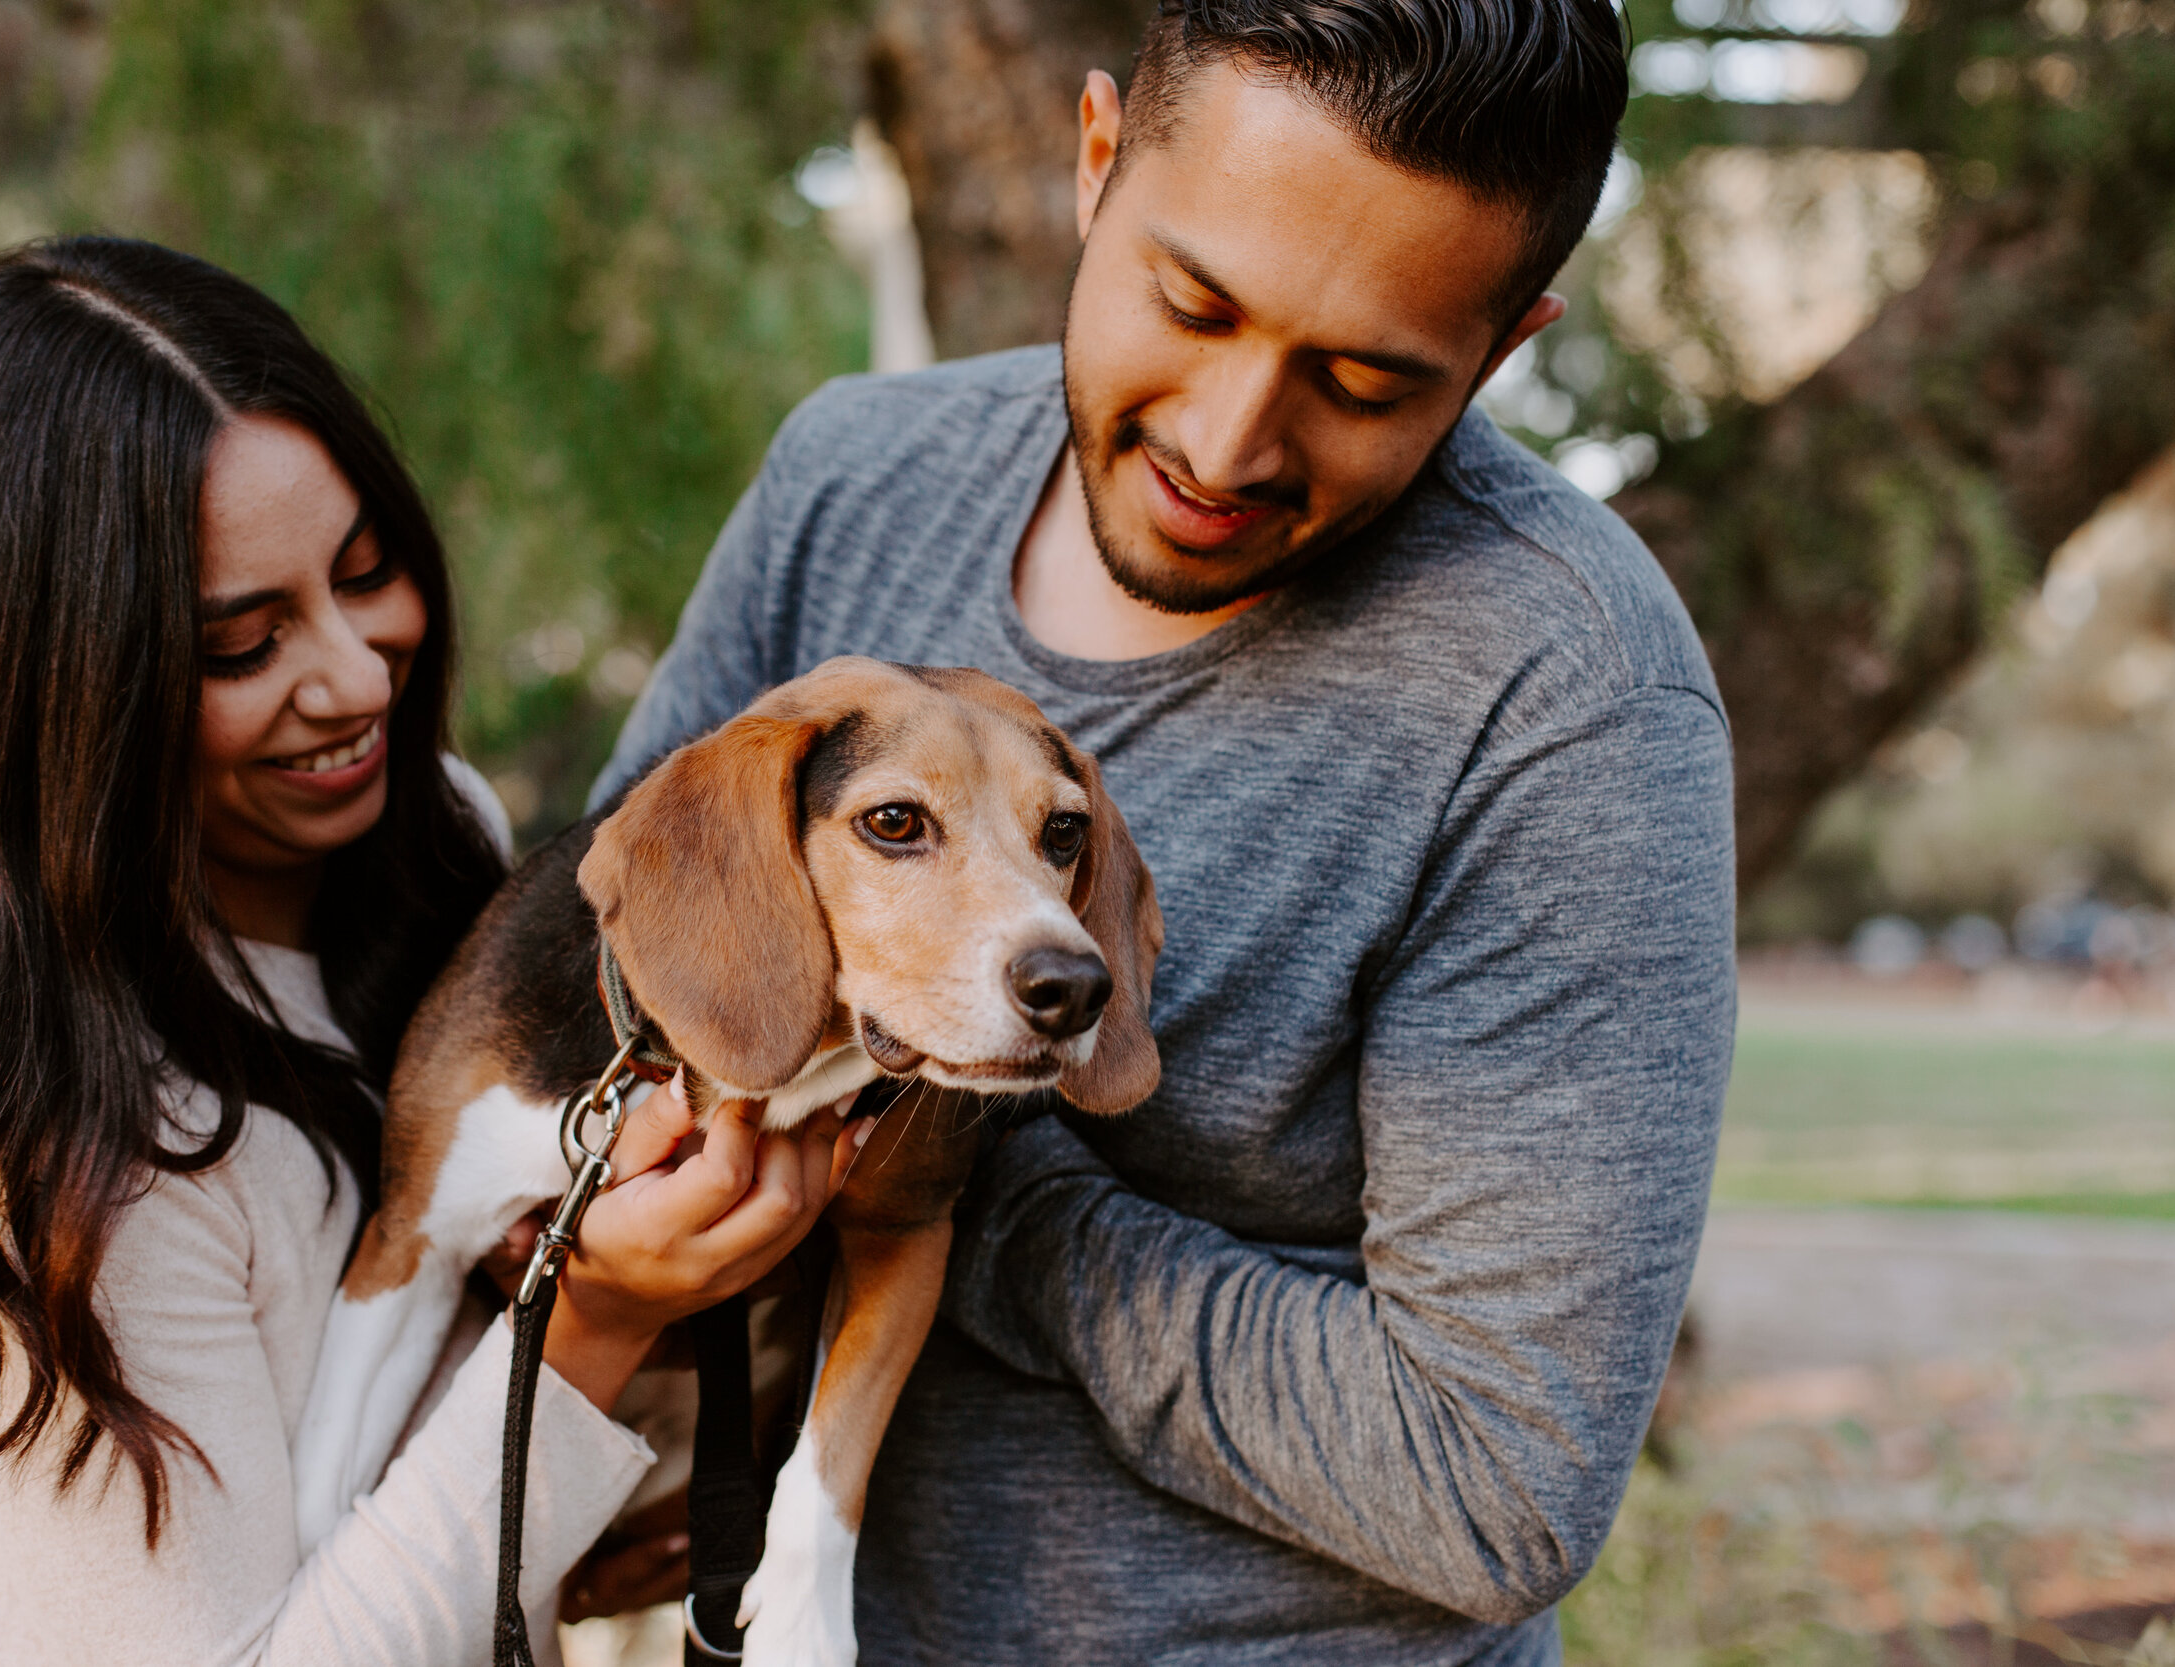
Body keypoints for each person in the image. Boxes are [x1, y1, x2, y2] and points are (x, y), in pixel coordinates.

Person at [590, 1, 1736, 1661]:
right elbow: (613, 971)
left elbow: (1494, 1485)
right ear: (1097, 157)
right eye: (1190, 306)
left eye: (1360, 381)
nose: (1226, 441)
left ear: (1501, 349)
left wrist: (957, 1178)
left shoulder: (1569, 697)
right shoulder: (853, 477)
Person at [0, 236, 862, 1667]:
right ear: (59, 697)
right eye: (240, 644)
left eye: (366, 571)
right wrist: (589, 1322)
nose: (355, 675)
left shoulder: (422, 837)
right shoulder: (39, 1155)